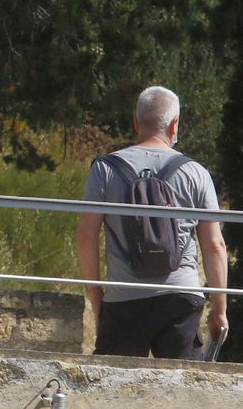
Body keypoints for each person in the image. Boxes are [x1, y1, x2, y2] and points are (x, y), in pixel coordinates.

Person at [76, 85, 229, 359]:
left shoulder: (104, 169)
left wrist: (96, 298)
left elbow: (86, 236)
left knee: (111, 390)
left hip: (124, 298)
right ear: (174, 125)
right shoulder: (196, 173)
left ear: (135, 122)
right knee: (182, 391)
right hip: (181, 298)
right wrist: (219, 309)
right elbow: (214, 246)